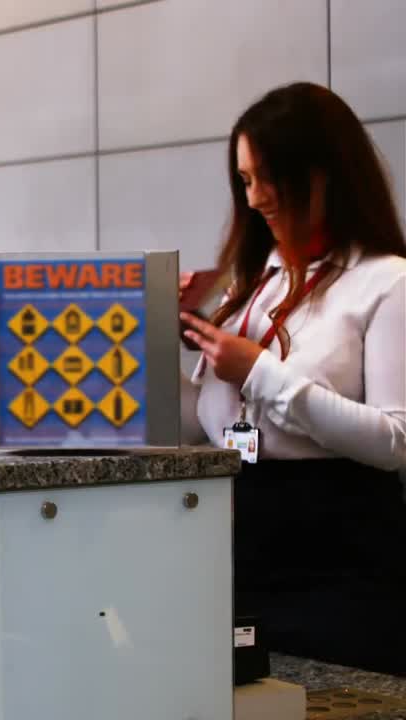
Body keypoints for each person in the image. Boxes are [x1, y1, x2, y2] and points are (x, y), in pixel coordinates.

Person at [179, 82, 406, 674]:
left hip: (341, 550)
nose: (253, 199)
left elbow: (395, 442)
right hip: (240, 538)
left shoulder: (387, 281)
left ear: (323, 173)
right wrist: (155, 336)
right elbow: (203, 425)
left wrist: (260, 372)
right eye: (243, 181)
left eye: (264, 178)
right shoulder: (252, 286)